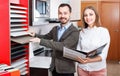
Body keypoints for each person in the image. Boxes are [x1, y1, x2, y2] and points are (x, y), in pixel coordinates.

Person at [29, 3, 79, 76]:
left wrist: (40, 41)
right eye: (60, 13)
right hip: (54, 68)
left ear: (70, 14)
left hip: (66, 71)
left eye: (65, 13)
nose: (62, 16)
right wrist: (35, 35)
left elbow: (63, 46)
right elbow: (46, 37)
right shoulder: (55, 29)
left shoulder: (74, 31)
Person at [76, 6, 110, 76]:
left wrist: (89, 60)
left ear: (96, 16)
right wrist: (77, 58)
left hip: (98, 70)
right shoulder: (81, 32)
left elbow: (103, 55)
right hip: (82, 69)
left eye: (91, 14)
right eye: (85, 15)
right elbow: (78, 49)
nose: (88, 17)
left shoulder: (103, 31)